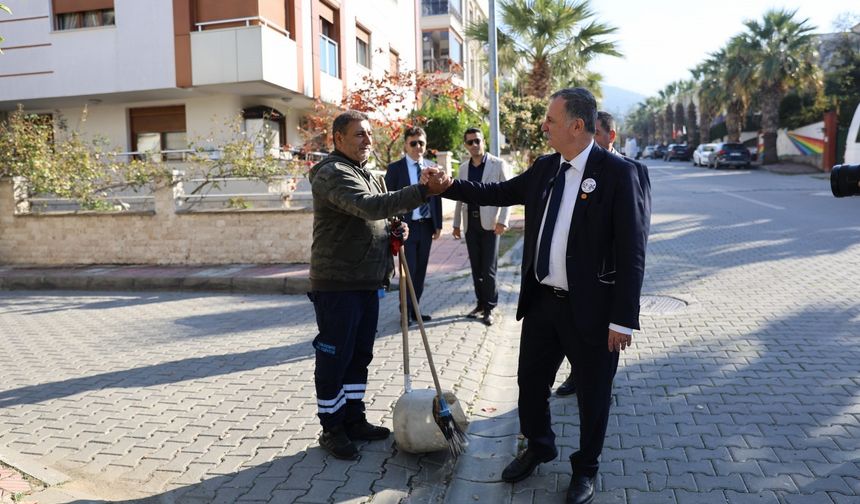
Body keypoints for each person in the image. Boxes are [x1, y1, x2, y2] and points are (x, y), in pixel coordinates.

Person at [433, 88, 651, 504]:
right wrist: (448, 186)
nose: (544, 126)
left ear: (576, 126)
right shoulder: (547, 167)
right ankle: (538, 445)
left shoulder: (617, 174)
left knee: (593, 395)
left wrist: (623, 318)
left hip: (594, 310)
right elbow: (498, 194)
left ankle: (586, 468)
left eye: (551, 120)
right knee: (531, 384)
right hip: (543, 303)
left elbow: (633, 251)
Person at [308, 111, 448, 460]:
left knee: (360, 355)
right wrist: (421, 191)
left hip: (368, 280)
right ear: (338, 139)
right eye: (359, 135)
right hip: (337, 283)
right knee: (334, 357)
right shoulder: (331, 173)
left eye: (369, 134)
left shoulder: (370, 173)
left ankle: (354, 418)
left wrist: (395, 230)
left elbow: (383, 217)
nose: (368, 141)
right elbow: (368, 208)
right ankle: (332, 427)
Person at [555, 110, 650, 398]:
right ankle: (577, 375)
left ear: (611, 136)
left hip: (607, 274)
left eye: (596, 133)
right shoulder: (574, 167)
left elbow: (638, 230)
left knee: (602, 346)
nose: (591, 140)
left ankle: (601, 385)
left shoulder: (631, 170)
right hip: (574, 272)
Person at [452, 127, 512, 326]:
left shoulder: (497, 164)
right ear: (466, 145)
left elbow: (507, 194)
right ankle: (480, 303)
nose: (474, 145)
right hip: (471, 223)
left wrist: (503, 220)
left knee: (489, 269)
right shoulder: (463, 168)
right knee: (476, 268)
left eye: (477, 141)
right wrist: (456, 224)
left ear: (483, 142)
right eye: (470, 142)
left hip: (491, 223)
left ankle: (489, 308)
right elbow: (459, 196)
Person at [385, 126, 443, 324]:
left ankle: (415, 310)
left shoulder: (432, 166)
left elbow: (437, 197)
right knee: (407, 272)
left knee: (420, 272)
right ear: (405, 146)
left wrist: (438, 225)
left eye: (421, 143)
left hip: (425, 226)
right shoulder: (395, 169)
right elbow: (388, 200)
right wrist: (393, 227)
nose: (418, 147)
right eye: (413, 143)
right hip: (406, 228)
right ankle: (405, 312)